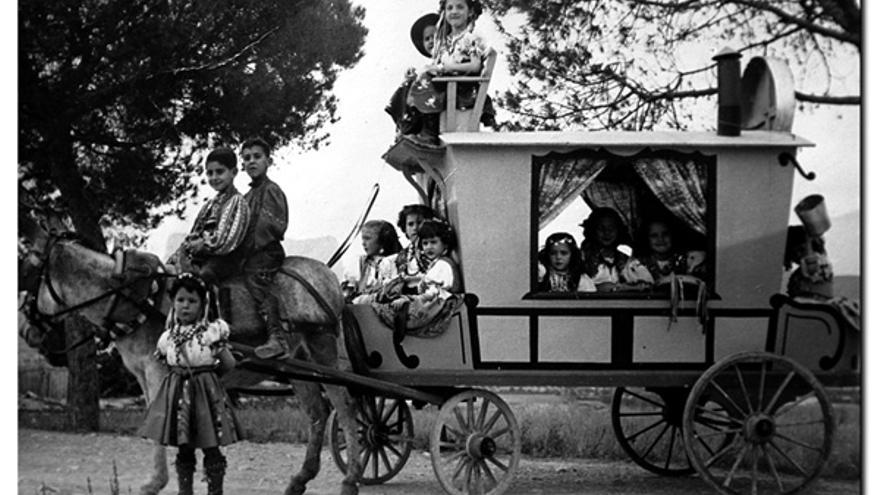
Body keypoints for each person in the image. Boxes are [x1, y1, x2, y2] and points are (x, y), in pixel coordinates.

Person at [139, 273, 241, 495]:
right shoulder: (167, 338)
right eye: (180, 300)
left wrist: (209, 376)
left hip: (206, 394)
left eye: (192, 301)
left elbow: (229, 364)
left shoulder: (211, 333)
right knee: (184, 448)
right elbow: (164, 363)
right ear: (173, 303)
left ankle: (215, 491)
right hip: (178, 397)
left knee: (210, 445)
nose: (185, 306)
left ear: (203, 305)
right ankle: (185, 492)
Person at [405, 0, 494, 146]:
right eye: (449, 8)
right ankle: (412, 130)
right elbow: (441, 62)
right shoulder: (448, 40)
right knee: (413, 82)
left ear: (470, 12)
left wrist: (449, 67)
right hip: (450, 83)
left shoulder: (470, 37)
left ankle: (430, 134)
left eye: (460, 7)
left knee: (426, 79)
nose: (454, 11)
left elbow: (475, 66)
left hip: (463, 87)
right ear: (444, 13)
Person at [238, 137, 291, 359]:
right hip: (247, 252)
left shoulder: (271, 190)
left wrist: (246, 247)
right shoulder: (245, 196)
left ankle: (277, 337)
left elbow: (270, 225)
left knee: (256, 279)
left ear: (268, 160)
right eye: (247, 158)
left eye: (257, 157)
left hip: (265, 251)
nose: (252, 162)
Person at [374, 219, 461, 338]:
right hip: (432, 298)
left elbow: (432, 294)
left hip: (437, 303)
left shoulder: (443, 265)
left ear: (445, 244)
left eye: (433, 242)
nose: (429, 247)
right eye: (425, 243)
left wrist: (408, 300)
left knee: (394, 310)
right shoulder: (436, 264)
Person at [177, 147, 250, 286]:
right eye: (210, 173)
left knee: (206, 274)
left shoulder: (237, 202)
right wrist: (190, 244)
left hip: (226, 258)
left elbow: (226, 240)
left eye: (220, 172)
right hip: (204, 256)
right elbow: (196, 230)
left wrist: (203, 245)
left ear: (233, 172)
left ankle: (215, 306)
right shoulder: (209, 205)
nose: (214, 177)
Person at [385, 12, 439, 137]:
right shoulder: (433, 61)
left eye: (434, 37)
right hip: (432, 90)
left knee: (418, 86)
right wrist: (413, 78)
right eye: (427, 39)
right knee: (407, 84)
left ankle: (423, 130)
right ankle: (403, 125)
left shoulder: (447, 56)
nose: (431, 41)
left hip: (441, 92)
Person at [348, 220, 403, 304]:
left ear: (382, 241)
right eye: (363, 238)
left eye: (368, 238)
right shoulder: (361, 263)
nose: (363, 243)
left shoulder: (395, 262)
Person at [580, 207, 631, 291]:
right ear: (592, 230)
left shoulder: (625, 260)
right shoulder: (582, 258)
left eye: (611, 229)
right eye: (601, 228)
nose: (606, 233)